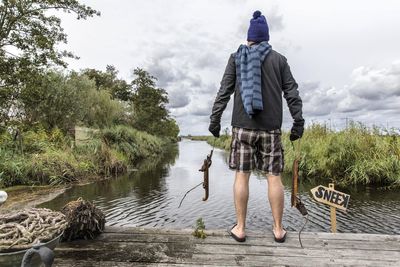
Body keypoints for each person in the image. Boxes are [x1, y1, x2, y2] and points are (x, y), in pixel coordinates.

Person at [209, 10, 304, 243]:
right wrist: (298, 121)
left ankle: (240, 228)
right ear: (266, 37)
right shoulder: (279, 60)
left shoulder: (236, 57)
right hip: (271, 128)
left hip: (242, 126)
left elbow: (224, 91)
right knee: (274, 177)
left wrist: (215, 119)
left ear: (249, 37)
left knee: (242, 175)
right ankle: (279, 230)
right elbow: (292, 92)